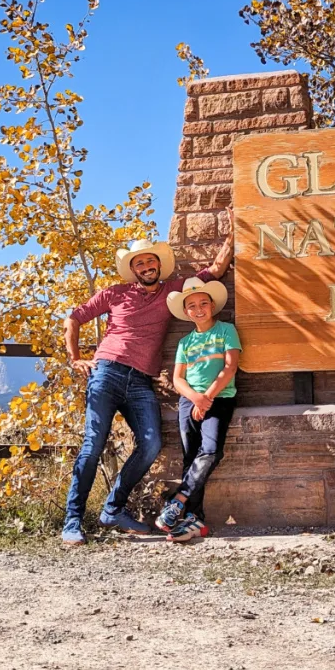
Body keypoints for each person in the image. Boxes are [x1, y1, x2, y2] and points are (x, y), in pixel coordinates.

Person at [60, 214, 234, 546]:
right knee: (92, 446)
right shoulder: (114, 293)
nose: (146, 266)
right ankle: (73, 521)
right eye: (139, 262)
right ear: (134, 269)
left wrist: (236, 232)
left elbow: (213, 272)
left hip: (141, 382)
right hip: (106, 373)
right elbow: (74, 317)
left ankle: (113, 508)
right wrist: (75, 358)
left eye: (150, 260)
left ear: (158, 265)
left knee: (151, 443)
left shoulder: (173, 291)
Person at [154, 276, 241, 542]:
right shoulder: (185, 343)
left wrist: (208, 398)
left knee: (211, 451)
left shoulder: (226, 330)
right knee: (191, 457)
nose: (199, 308)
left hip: (220, 398)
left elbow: (230, 367)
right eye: (192, 305)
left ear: (213, 305)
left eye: (204, 302)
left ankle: (178, 500)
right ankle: (195, 520)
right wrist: (195, 398)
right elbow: (177, 379)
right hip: (188, 402)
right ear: (186, 311)